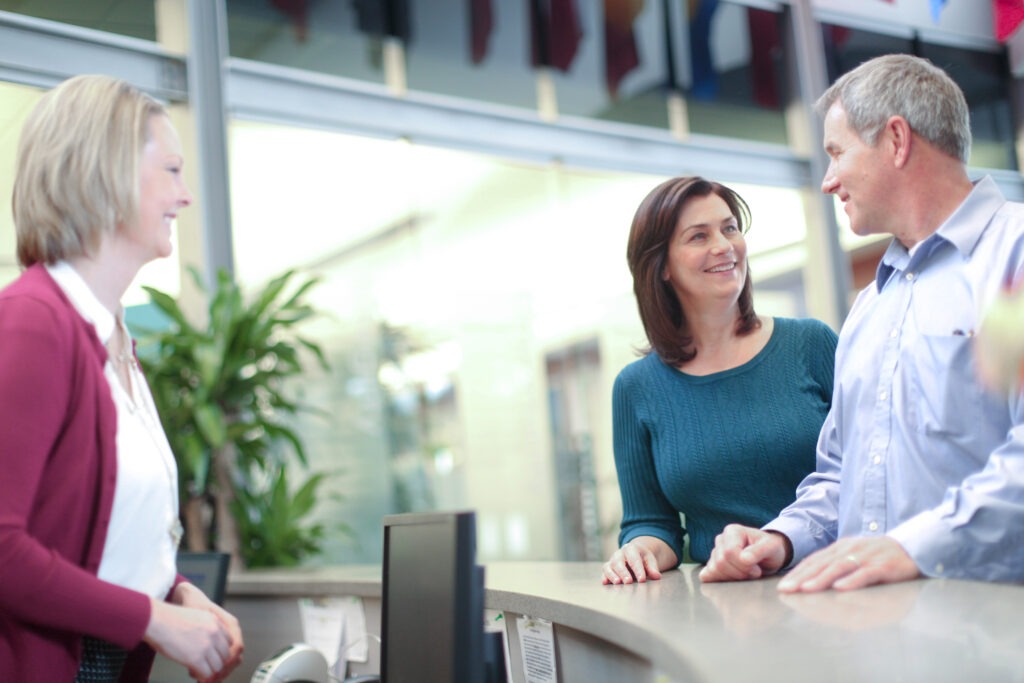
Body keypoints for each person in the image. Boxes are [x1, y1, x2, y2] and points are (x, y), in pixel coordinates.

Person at [700, 53, 1024, 592]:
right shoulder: (873, 305)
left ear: (896, 140)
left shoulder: (1011, 261)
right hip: (875, 632)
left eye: (836, 152)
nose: (827, 181)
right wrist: (779, 540)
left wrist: (913, 548)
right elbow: (840, 475)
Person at [0, 75, 244, 681]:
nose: (185, 195)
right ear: (105, 171)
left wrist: (177, 592)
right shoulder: (34, 323)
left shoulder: (113, 337)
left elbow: (100, 544)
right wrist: (152, 620)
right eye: (171, 170)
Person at [601, 176, 838, 585]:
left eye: (730, 228)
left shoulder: (811, 344)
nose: (725, 246)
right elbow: (652, 522)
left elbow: (871, 472)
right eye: (698, 236)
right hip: (726, 607)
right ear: (661, 267)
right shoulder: (636, 387)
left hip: (836, 586)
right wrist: (639, 548)